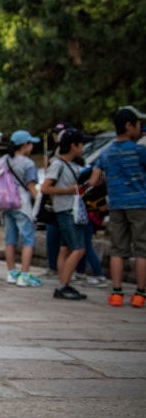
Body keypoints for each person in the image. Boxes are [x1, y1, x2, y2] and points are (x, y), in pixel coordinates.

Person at [89, 106, 146, 307]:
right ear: (128, 126)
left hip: (116, 205)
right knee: (142, 249)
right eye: (138, 125)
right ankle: (140, 294)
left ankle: (117, 293)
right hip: (139, 204)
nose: (140, 128)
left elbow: (93, 181)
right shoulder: (139, 151)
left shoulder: (106, 153)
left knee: (118, 249)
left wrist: (113, 178)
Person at [42, 128, 91, 300]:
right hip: (66, 210)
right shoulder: (58, 164)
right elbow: (45, 188)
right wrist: (68, 190)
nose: (83, 147)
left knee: (66, 249)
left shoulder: (73, 165)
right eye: (81, 144)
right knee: (78, 249)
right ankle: (63, 286)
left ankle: (64, 283)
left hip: (71, 210)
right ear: (73, 145)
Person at [0, 130, 42, 287]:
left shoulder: (4, 160)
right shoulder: (28, 163)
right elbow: (31, 186)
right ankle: (25, 275)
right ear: (24, 145)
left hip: (5, 203)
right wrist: (40, 202)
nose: (32, 147)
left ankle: (11, 273)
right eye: (30, 143)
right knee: (28, 239)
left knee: (10, 239)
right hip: (22, 204)